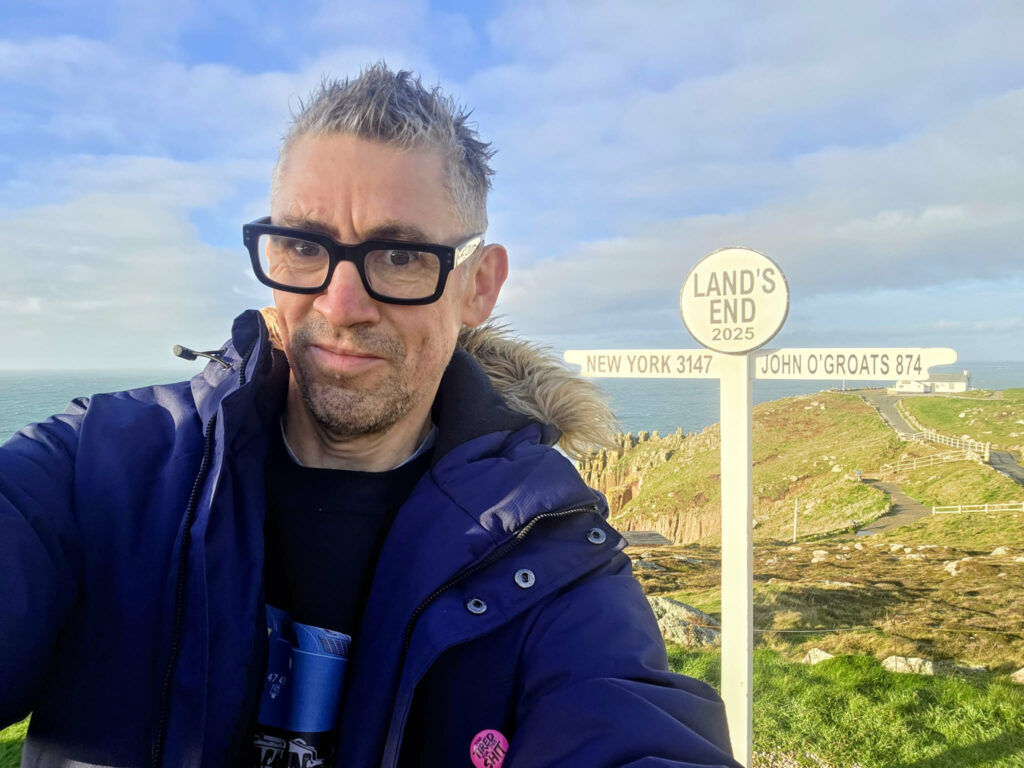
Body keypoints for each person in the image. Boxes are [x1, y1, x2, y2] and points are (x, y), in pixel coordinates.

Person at [0, 63, 739, 768]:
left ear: (479, 287)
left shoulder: (548, 555)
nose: (340, 305)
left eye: (400, 256)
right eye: (303, 245)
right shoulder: (103, 468)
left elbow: (624, 724)